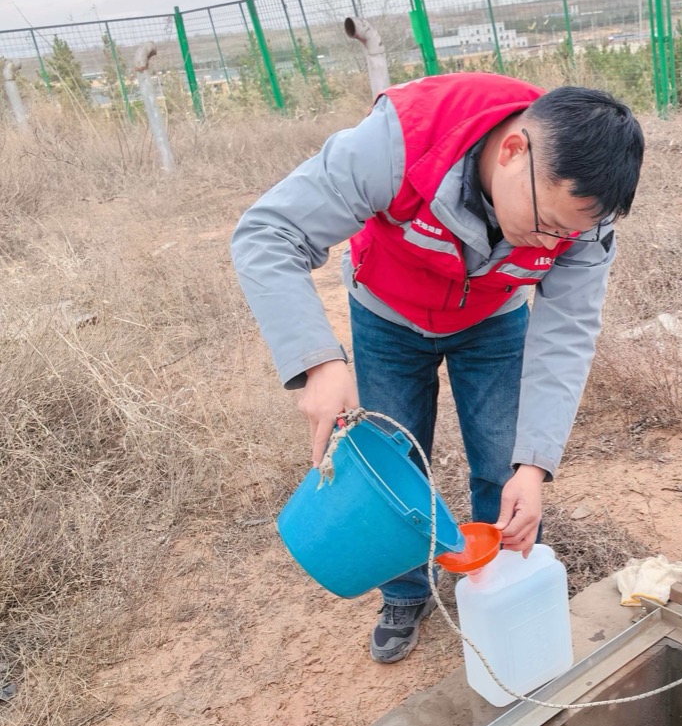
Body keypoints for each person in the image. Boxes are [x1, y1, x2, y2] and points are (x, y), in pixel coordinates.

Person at [231, 71, 644, 663]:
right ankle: (404, 592)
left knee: (505, 465)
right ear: (513, 151)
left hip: (493, 317)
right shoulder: (403, 138)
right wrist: (318, 362)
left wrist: (534, 465)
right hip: (386, 312)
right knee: (392, 460)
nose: (552, 241)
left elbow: (568, 333)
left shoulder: (585, 225)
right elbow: (268, 231)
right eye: (547, 223)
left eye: (568, 232)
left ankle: (500, 588)